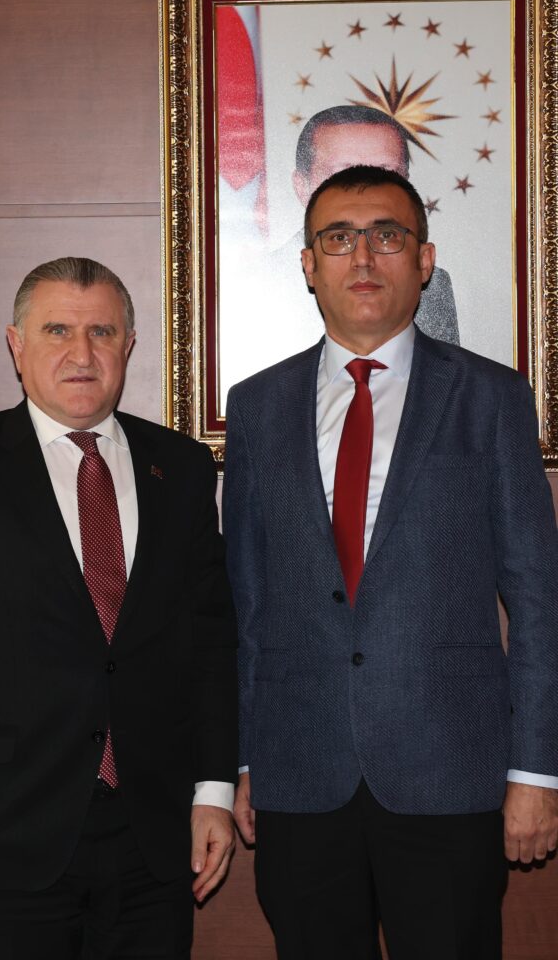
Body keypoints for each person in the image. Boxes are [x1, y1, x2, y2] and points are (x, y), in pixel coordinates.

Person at [223, 164, 558, 959]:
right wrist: (243, 757)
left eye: (387, 235)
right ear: (309, 264)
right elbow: (245, 603)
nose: (364, 257)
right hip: (299, 773)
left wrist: (536, 773)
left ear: (424, 259)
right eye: (339, 239)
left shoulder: (491, 398)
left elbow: (539, 599)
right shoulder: (257, 405)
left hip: (451, 775)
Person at [0, 257, 238, 959]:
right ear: (16, 345)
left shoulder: (184, 468)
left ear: (129, 345)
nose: (82, 353)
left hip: (156, 835)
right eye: (57, 331)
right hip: (2, 834)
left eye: (102, 331)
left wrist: (214, 789)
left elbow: (213, 644)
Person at [259, 106, 459, 366]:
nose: (364, 189)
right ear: (302, 187)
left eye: (386, 173)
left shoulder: (434, 284)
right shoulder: (261, 277)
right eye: (341, 176)